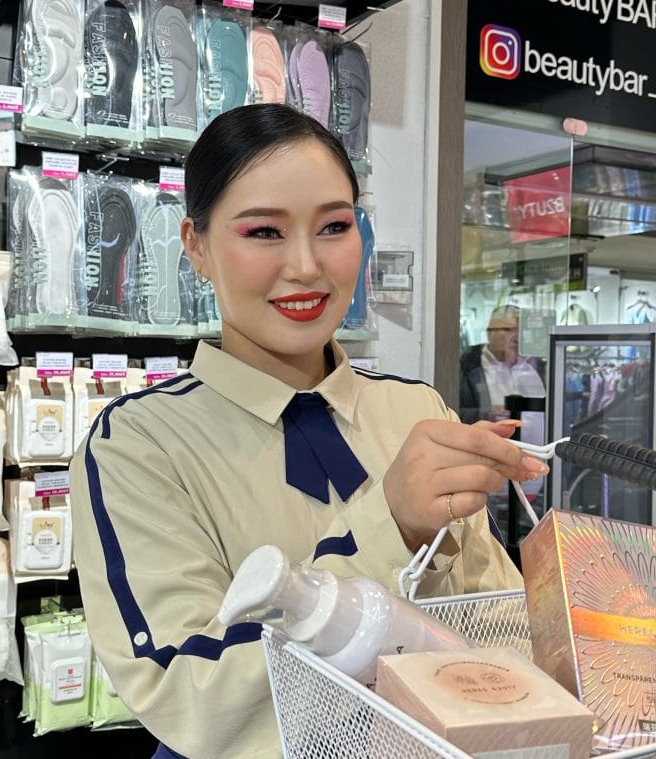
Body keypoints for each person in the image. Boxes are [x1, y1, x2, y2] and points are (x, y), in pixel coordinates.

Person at [69, 104, 544, 758]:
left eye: (334, 226)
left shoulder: (416, 411)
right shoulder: (138, 446)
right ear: (197, 246)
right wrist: (390, 528)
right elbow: (185, 689)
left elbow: (496, 617)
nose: (306, 266)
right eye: (264, 231)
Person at [458, 304, 546, 423]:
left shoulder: (538, 367)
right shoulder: (466, 367)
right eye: (509, 329)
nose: (517, 338)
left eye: (521, 330)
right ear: (489, 333)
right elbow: (448, 414)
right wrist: (485, 414)